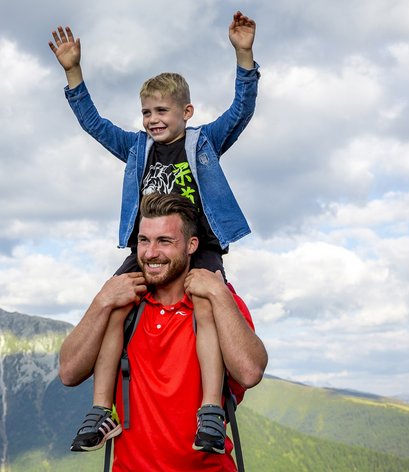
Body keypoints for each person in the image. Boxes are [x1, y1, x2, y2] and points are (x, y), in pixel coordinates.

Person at [49, 10, 261, 454]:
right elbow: (95, 124)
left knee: (205, 302)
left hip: (198, 247)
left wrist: (244, 57)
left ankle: (209, 409)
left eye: (161, 110)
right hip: (147, 249)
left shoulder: (202, 142)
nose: (151, 119)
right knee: (115, 301)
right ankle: (102, 408)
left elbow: (239, 114)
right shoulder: (135, 149)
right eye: (146, 111)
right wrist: (74, 73)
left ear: (186, 111)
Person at [60, 193, 268, 470]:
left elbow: (250, 372)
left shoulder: (218, 301)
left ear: (192, 245)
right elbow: (69, 372)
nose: (150, 253)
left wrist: (218, 292)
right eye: (144, 240)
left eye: (165, 241)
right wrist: (101, 301)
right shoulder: (124, 303)